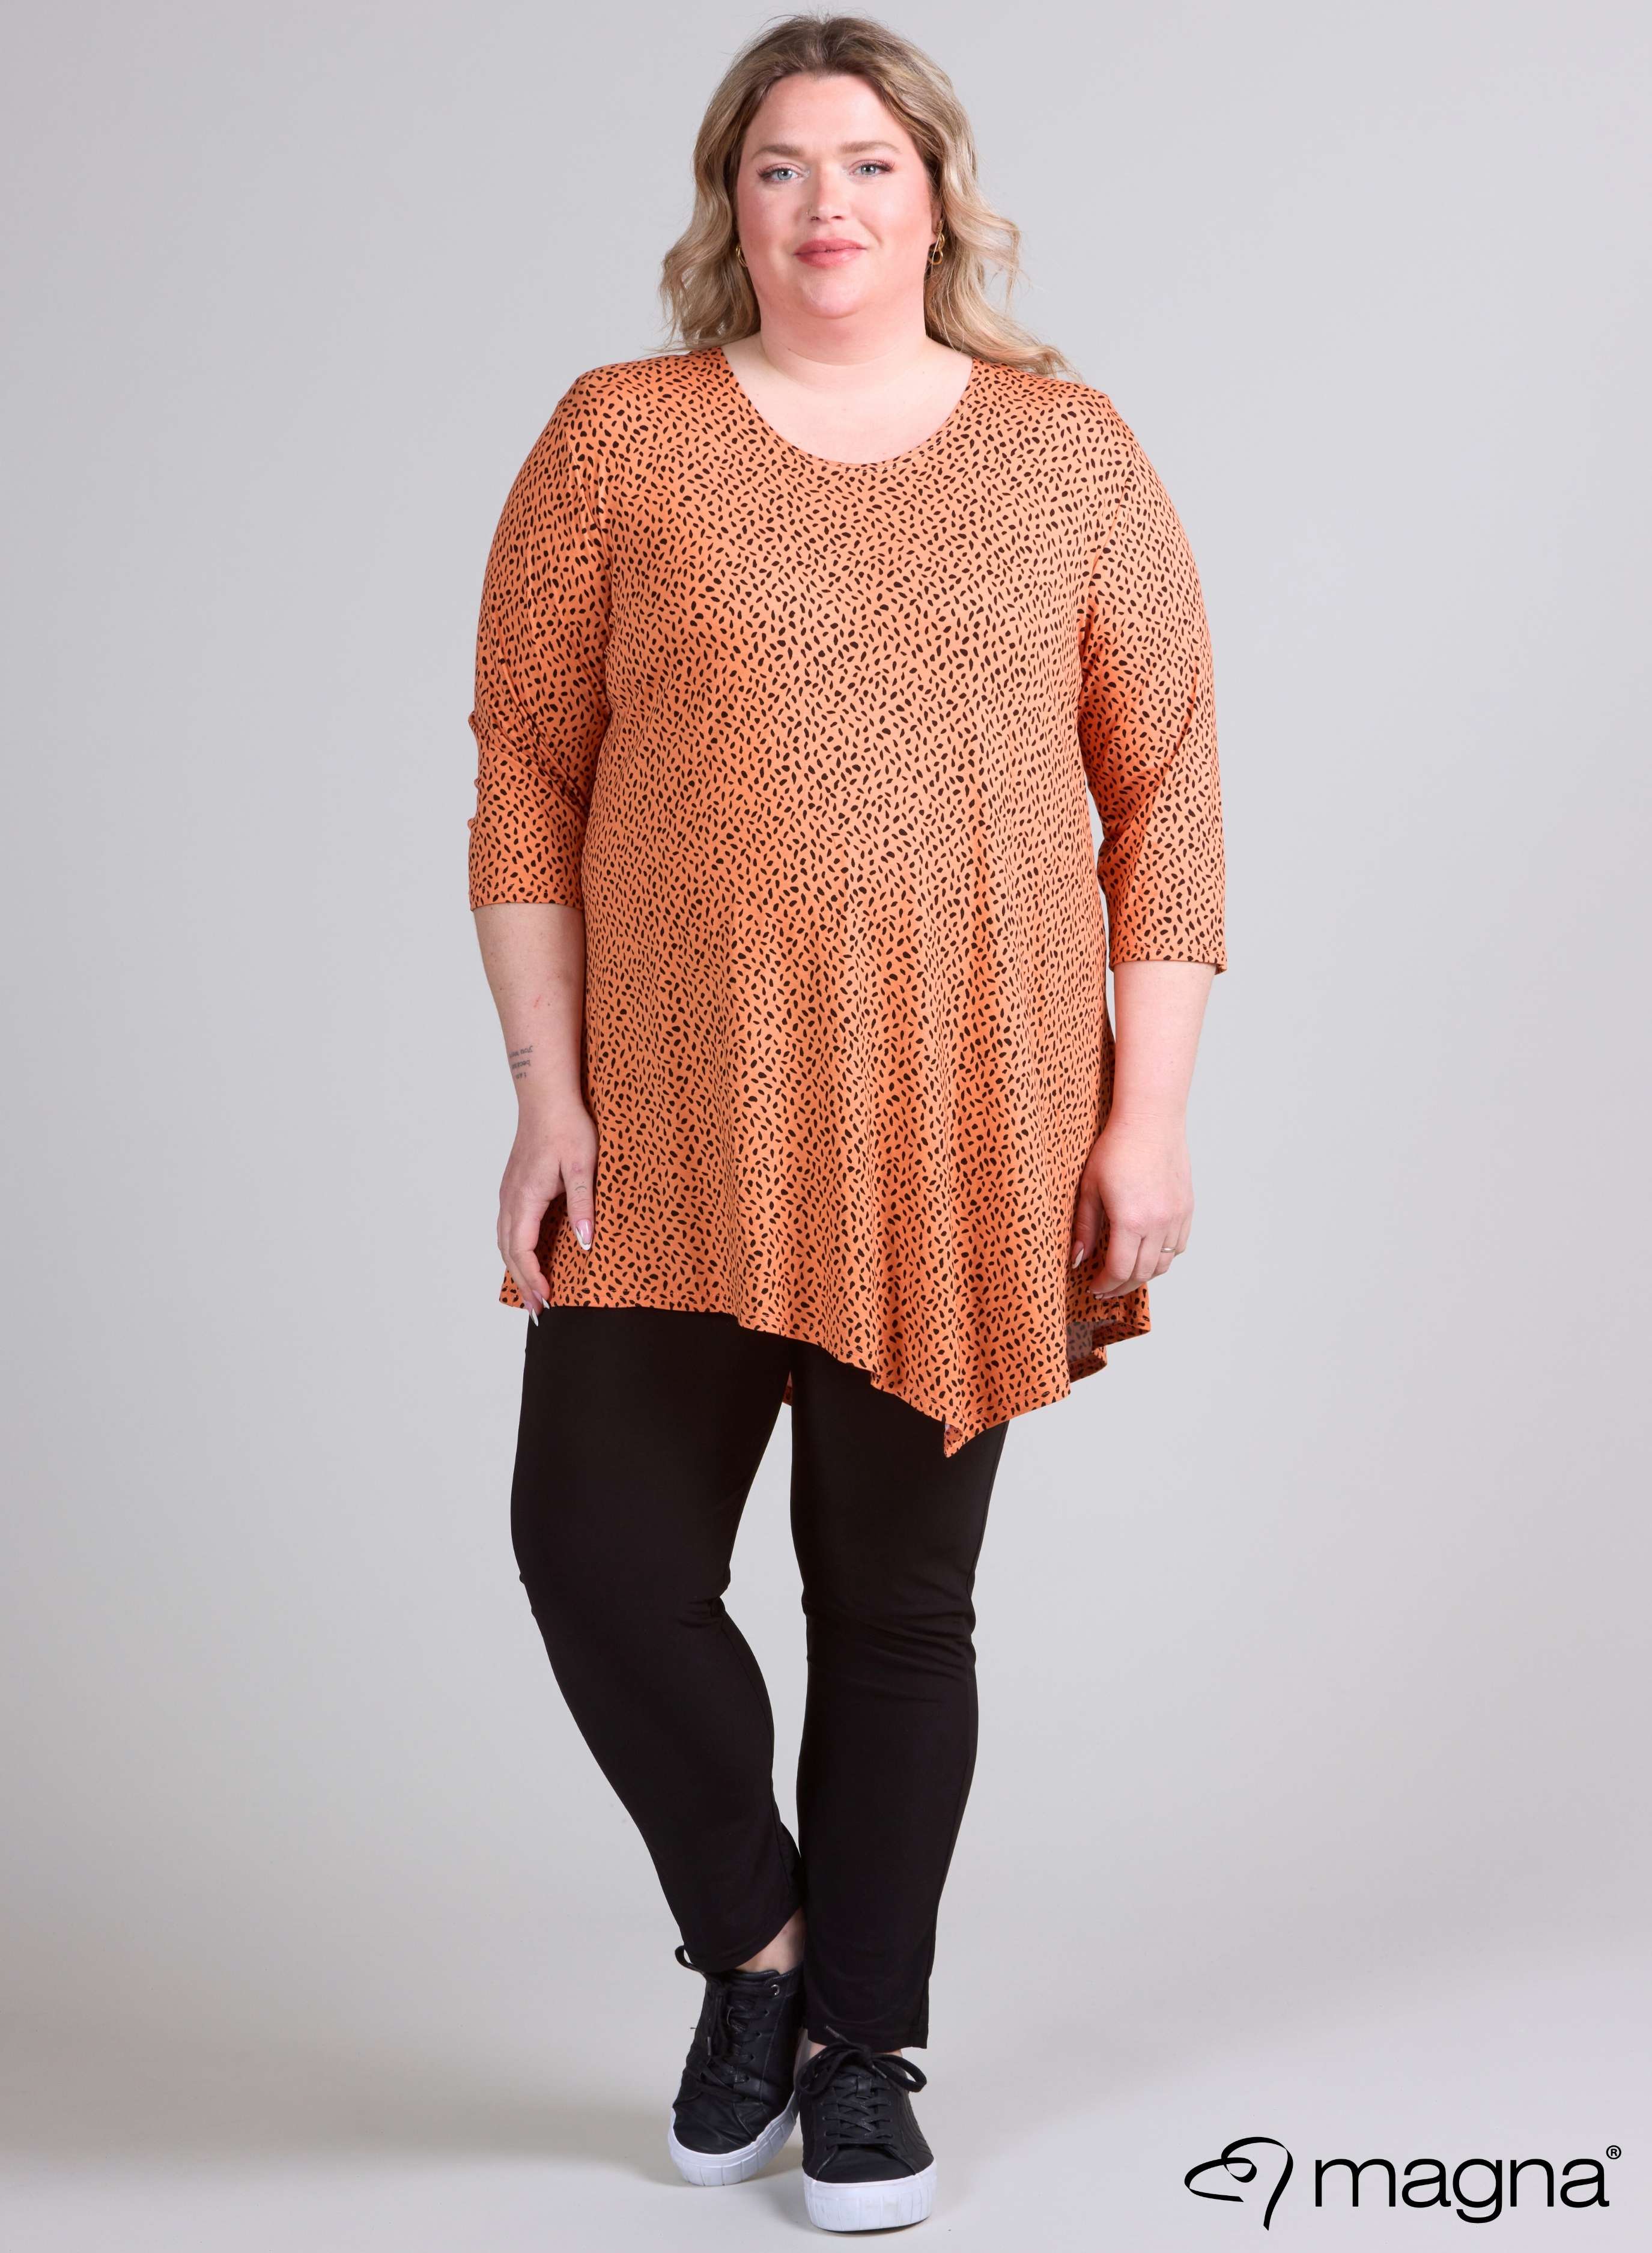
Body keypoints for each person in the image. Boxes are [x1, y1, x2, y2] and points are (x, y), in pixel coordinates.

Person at [465, 13, 1226, 2234]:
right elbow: (527, 772)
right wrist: (544, 1095)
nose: (827, 207)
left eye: (869, 164)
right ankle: (766, 1955)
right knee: (600, 1559)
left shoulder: (1068, 452)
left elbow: (1171, 793)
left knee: (893, 1610)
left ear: (938, 196)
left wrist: (1149, 1115)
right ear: (731, 202)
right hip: (672, 1112)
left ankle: (869, 2053)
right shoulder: (619, 438)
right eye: (782, 167)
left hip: (966, 1116)